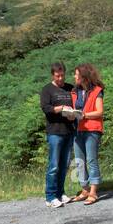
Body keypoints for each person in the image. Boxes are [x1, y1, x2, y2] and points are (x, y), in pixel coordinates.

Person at [67, 63, 105, 205]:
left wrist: (84, 115)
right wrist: (70, 115)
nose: (74, 76)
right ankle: (85, 190)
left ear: (84, 76)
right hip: (77, 130)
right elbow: (74, 110)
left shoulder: (97, 91)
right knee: (79, 161)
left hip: (92, 130)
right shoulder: (74, 92)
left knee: (91, 160)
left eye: (76, 74)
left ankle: (94, 192)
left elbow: (100, 112)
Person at [39, 62, 75, 208]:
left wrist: (73, 114)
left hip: (69, 130)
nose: (60, 78)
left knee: (64, 165)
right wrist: (59, 108)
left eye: (62, 75)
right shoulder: (47, 89)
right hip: (55, 132)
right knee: (54, 165)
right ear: (53, 75)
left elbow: (76, 105)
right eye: (57, 76)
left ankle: (61, 193)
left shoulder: (69, 88)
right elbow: (45, 108)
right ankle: (50, 196)